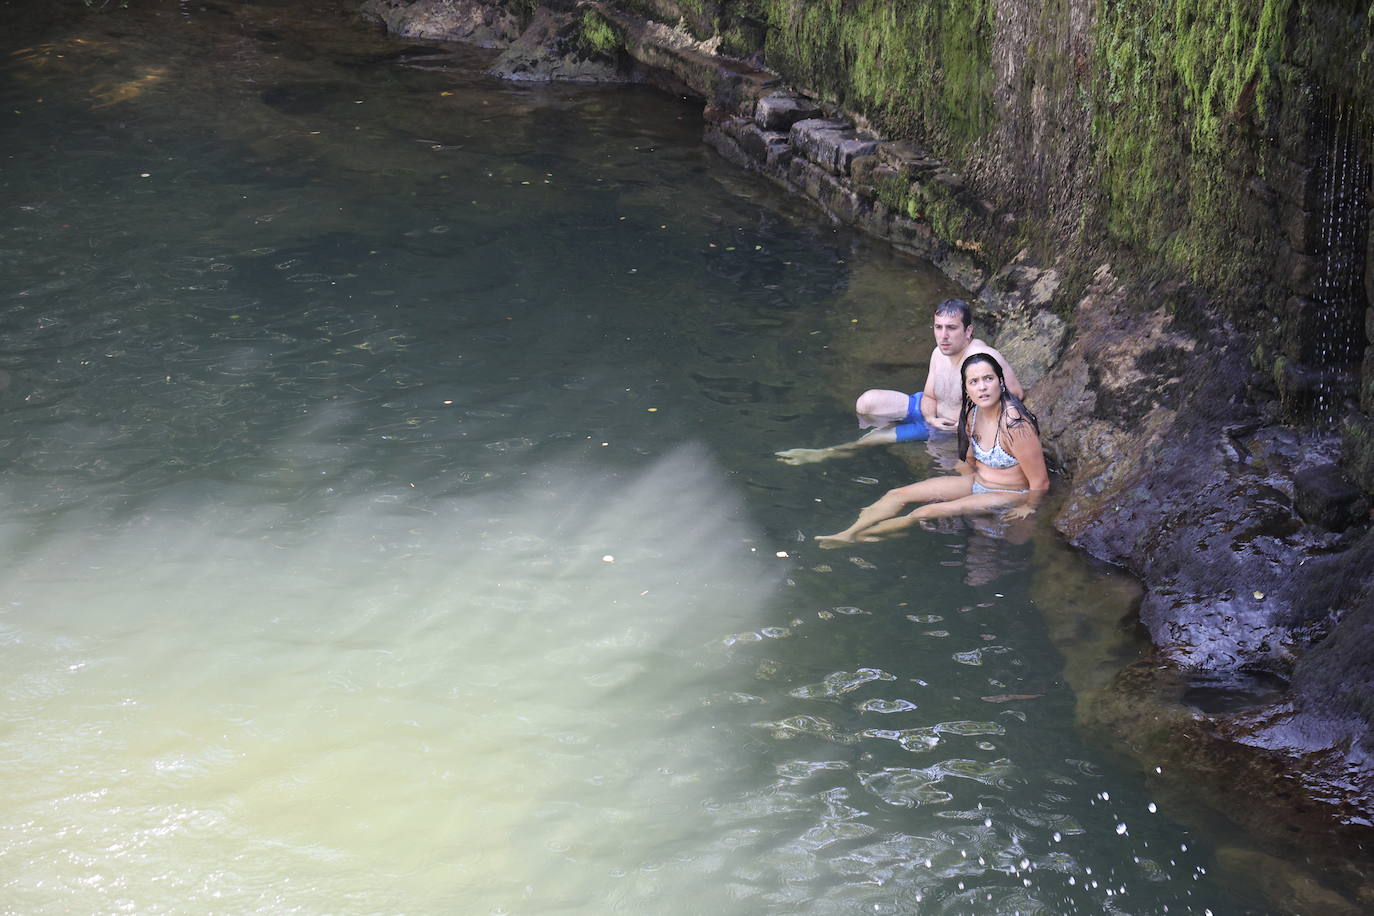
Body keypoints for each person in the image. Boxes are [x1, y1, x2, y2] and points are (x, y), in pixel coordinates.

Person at [814, 353, 1048, 547]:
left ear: (1001, 381)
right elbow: (968, 458)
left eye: (988, 379)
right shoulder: (972, 414)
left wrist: (1028, 507)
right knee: (897, 494)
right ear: (966, 389)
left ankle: (857, 540)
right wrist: (959, 484)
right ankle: (849, 531)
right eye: (974, 382)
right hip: (978, 481)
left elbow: (1040, 482)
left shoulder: (1016, 425)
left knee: (923, 513)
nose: (982, 387)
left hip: (1011, 493)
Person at [776, 298, 1024, 465]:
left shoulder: (983, 358)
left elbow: (1016, 395)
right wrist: (929, 415)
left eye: (951, 328)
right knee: (867, 402)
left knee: (872, 440)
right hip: (927, 412)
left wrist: (963, 427)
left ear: (968, 331)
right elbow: (928, 396)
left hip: (946, 428)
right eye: (938, 327)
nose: (943, 336)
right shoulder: (939, 352)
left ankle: (825, 454)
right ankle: (881, 428)